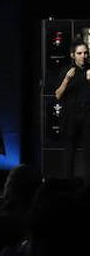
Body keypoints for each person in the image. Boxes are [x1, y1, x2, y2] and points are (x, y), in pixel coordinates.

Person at [54, 40, 90, 181]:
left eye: (85, 53)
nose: (83, 56)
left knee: (88, 152)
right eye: (79, 53)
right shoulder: (66, 71)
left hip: (87, 116)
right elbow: (58, 95)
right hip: (70, 117)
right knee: (69, 151)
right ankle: (67, 183)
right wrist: (67, 79)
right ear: (73, 55)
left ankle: (87, 185)